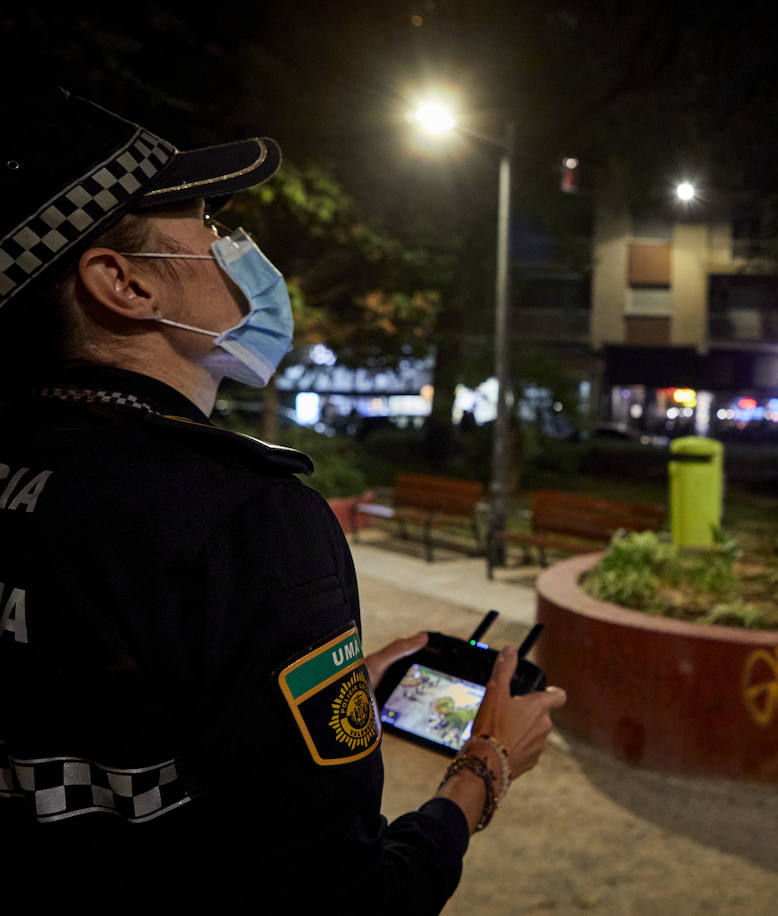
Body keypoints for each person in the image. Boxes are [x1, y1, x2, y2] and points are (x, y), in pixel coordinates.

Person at [0, 88, 566, 912]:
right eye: (203, 222)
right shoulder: (243, 518)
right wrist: (484, 770)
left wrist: (291, 710)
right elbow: (340, 896)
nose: (235, 246)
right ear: (122, 283)